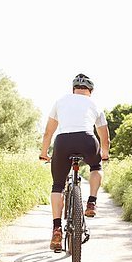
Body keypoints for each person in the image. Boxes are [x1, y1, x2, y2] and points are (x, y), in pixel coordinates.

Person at [39, 74, 110, 252]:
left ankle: (56, 229)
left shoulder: (60, 101)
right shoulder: (94, 104)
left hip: (63, 142)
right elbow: (104, 134)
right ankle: (92, 202)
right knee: (96, 166)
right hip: (87, 139)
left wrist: (43, 153)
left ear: (73, 90)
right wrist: (105, 152)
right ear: (90, 91)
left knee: (57, 185)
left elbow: (48, 132)